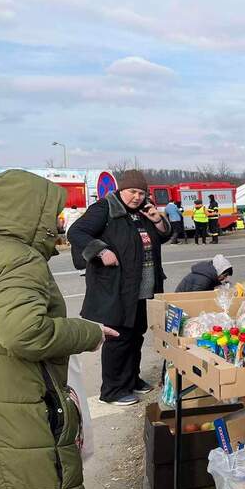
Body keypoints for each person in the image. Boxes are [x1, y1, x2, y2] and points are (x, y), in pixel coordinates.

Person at [0, 170, 114, 489]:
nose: (58, 221)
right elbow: (23, 332)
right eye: (53, 212)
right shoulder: (19, 259)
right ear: (30, 212)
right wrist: (88, 332)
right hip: (25, 407)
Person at [68, 169, 171, 406]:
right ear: (121, 190)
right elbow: (76, 232)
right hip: (116, 286)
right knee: (119, 336)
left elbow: (164, 236)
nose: (137, 197)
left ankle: (131, 379)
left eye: (141, 192)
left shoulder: (143, 212)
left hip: (143, 286)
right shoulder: (105, 208)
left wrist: (157, 219)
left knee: (136, 334)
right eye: (132, 192)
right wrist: (101, 251)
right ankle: (113, 390)